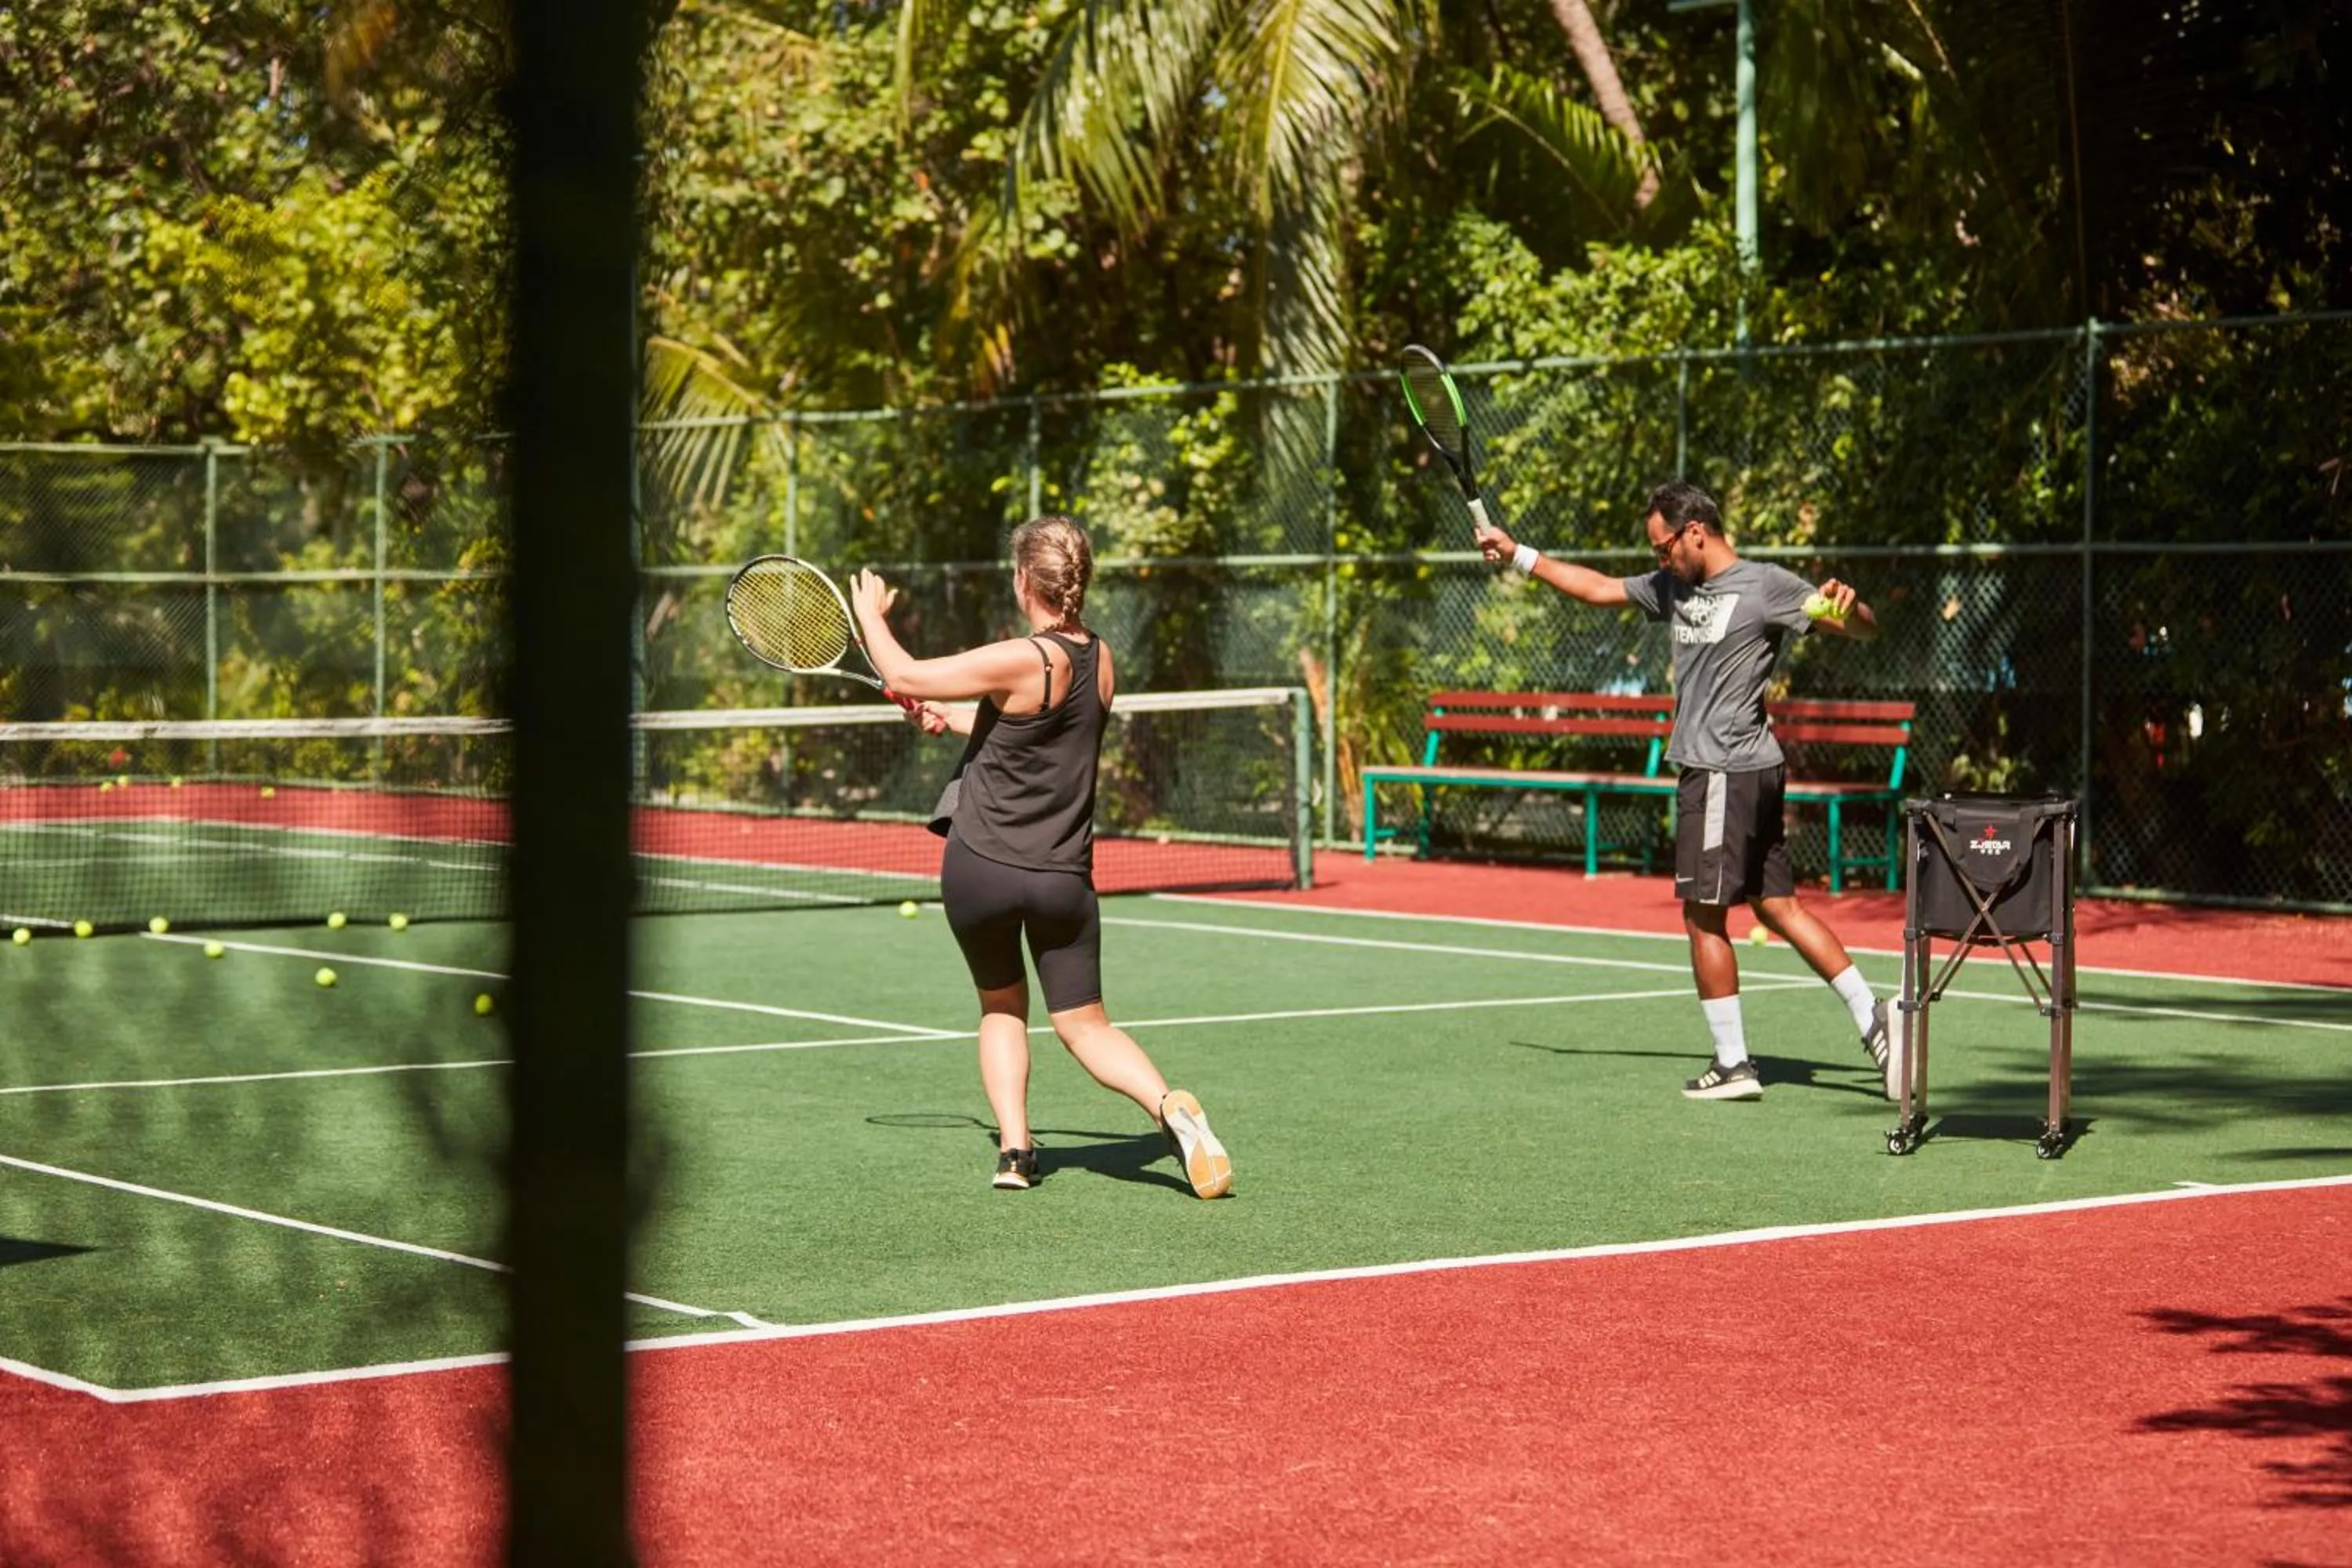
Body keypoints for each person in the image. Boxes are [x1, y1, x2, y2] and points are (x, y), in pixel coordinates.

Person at [1473, 481, 1899, 1102]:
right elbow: (1596, 588)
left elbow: (1861, 629)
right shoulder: (1675, 585)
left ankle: (1733, 1065)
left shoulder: (1765, 585)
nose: (1659, 559)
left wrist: (1848, 607)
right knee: (1778, 907)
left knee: (1703, 917)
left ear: (1695, 530)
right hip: (1742, 769)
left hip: (1725, 770)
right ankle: (1875, 1019)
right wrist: (1517, 554)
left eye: (1664, 546)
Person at [848, 516, 1234, 1196]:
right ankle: (1170, 1110)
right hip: (1064, 879)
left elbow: (904, 669)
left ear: (1025, 579)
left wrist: (868, 617)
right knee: (1087, 1027)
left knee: (1001, 1008)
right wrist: (950, 717)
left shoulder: (1021, 656)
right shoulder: (1102, 660)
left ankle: (1017, 1153)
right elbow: (1029, 731)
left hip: (982, 869)